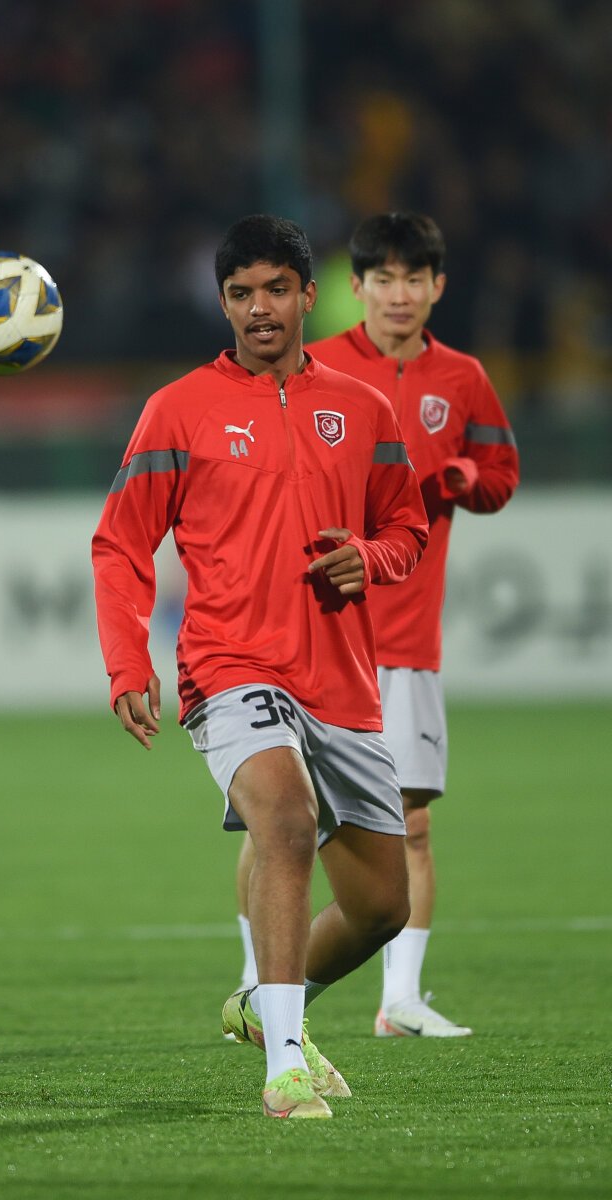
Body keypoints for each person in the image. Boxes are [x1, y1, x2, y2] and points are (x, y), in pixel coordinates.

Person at [92, 214, 429, 1118]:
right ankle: (284, 1065)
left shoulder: (364, 408)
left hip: (343, 683)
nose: (260, 309)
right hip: (230, 667)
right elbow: (120, 543)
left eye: (276, 289)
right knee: (283, 819)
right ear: (223, 303)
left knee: (383, 907)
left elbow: (408, 526)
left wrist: (371, 557)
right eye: (241, 293)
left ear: (309, 294)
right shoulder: (179, 408)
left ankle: (264, 1004)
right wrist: (127, 661)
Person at [233, 212, 520, 1037]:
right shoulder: (315, 371)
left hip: (407, 636)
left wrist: (462, 476)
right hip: (315, 632)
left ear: (437, 286)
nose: (400, 294)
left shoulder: (463, 379)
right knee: (279, 817)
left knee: (412, 822)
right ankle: (258, 981)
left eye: (415, 278)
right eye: (384, 279)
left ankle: (400, 1000)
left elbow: (502, 473)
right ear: (355, 288)